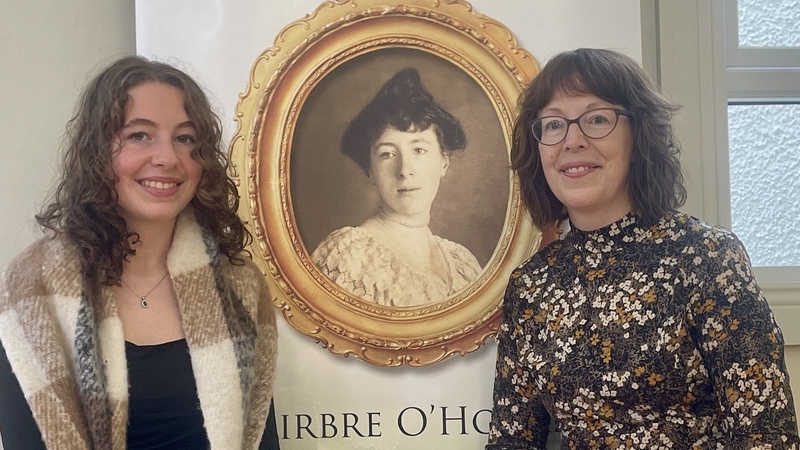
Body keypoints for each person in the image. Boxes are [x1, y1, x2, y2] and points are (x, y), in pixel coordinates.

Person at [487, 48, 799, 449]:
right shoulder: (530, 287)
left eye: (597, 119)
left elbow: (767, 438)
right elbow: (511, 443)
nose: (573, 141)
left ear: (640, 135)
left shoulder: (706, 258)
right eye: (553, 125)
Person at [0, 56, 279, 449]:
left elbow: (261, 440)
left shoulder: (240, 285)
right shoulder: (31, 289)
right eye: (139, 136)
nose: (167, 157)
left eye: (185, 139)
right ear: (97, 152)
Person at [311, 67, 482, 307]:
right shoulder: (350, 257)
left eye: (419, 150)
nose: (404, 169)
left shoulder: (461, 262)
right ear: (370, 169)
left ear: (444, 161)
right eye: (387, 154)